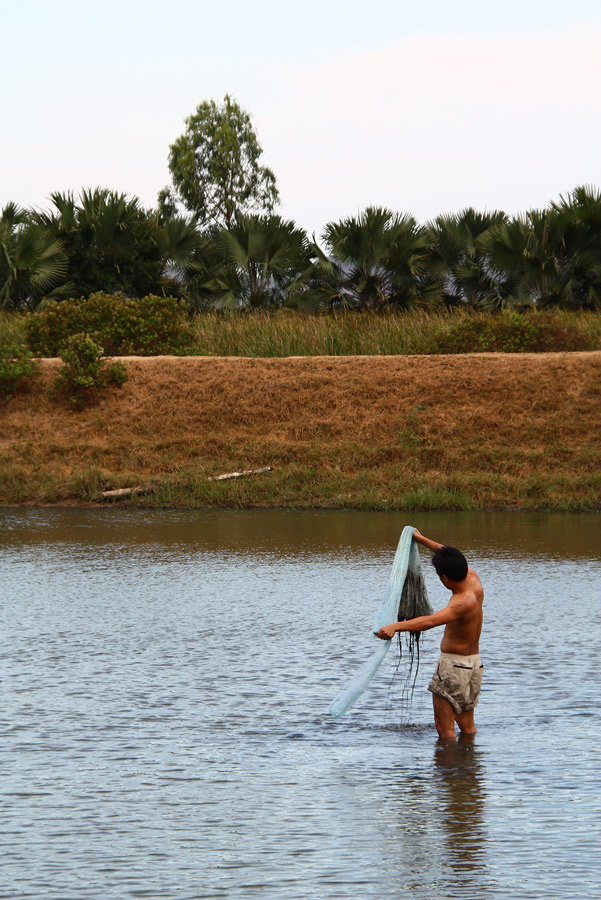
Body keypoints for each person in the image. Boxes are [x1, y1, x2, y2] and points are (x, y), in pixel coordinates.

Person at [377, 529, 484, 740]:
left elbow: (431, 621)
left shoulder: (462, 602)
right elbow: (444, 551)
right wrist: (420, 538)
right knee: (467, 726)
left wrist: (395, 626)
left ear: (445, 578)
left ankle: (448, 772)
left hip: (454, 668)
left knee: (444, 730)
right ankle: (469, 770)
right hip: (473, 665)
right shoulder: (472, 577)